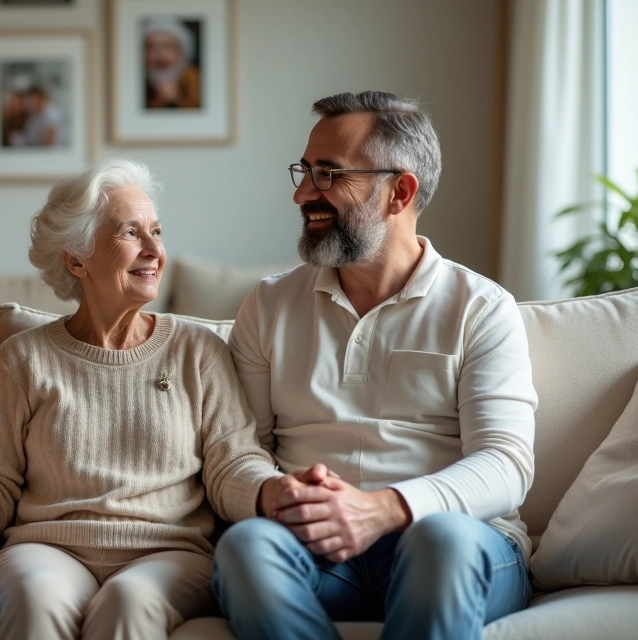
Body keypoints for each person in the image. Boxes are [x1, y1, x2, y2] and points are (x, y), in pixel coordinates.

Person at [213, 91, 537, 640]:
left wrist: (385, 510)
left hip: (453, 544)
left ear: (399, 192)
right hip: (314, 551)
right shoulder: (268, 305)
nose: (302, 193)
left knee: (442, 541)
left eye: (328, 174)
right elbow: (236, 453)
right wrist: (275, 494)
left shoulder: (481, 308)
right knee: (246, 545)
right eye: (304, 171)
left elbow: (506, 464)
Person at [0, 157, 284, 640]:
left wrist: (272, 491)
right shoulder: (22, 358)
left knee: (128, 604)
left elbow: (232, 463)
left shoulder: (198, 351)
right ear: (76, 260)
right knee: (33, 600)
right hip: (46, 549)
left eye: (157, 231)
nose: (154, 249)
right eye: (131, 233)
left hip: (168, 552)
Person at [142, 17, 201, 110]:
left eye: (167, 46)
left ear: (180, 52)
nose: (159, 54)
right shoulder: (137, 80)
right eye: (151, 47)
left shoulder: (195, 79)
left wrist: (177, 99)